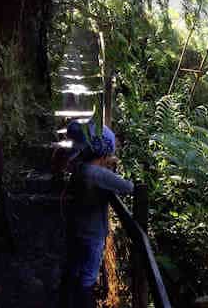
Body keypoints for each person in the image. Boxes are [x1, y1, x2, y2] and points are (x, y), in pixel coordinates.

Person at [59, 120, 133, 308]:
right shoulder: (96, 173)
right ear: (103, 151)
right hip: (92, 234)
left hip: (75, 228)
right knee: (88, 277)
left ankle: (66, 301)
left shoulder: (81, 167)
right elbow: (129, 187)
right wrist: (110, 168)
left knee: (74, 269)